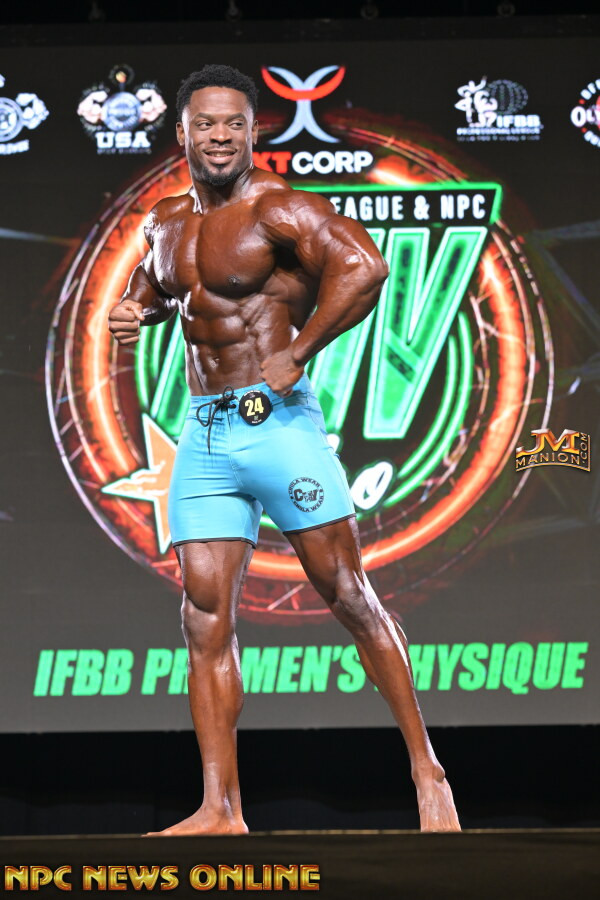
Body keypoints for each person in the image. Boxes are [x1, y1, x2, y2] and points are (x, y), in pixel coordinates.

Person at [108, 64, 460, 835]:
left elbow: (365, 267)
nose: (220, 136)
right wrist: (134, 308)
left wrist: (299, 351)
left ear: (251, 131)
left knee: (348, 594)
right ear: (183, 133)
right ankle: (220, 808)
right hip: (205, 434)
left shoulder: (279, 207)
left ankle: (426, 770)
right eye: (206, 124)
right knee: (203, 617)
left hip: (279, 426)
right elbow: (160, 286)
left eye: (234, 123)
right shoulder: (166, 220)